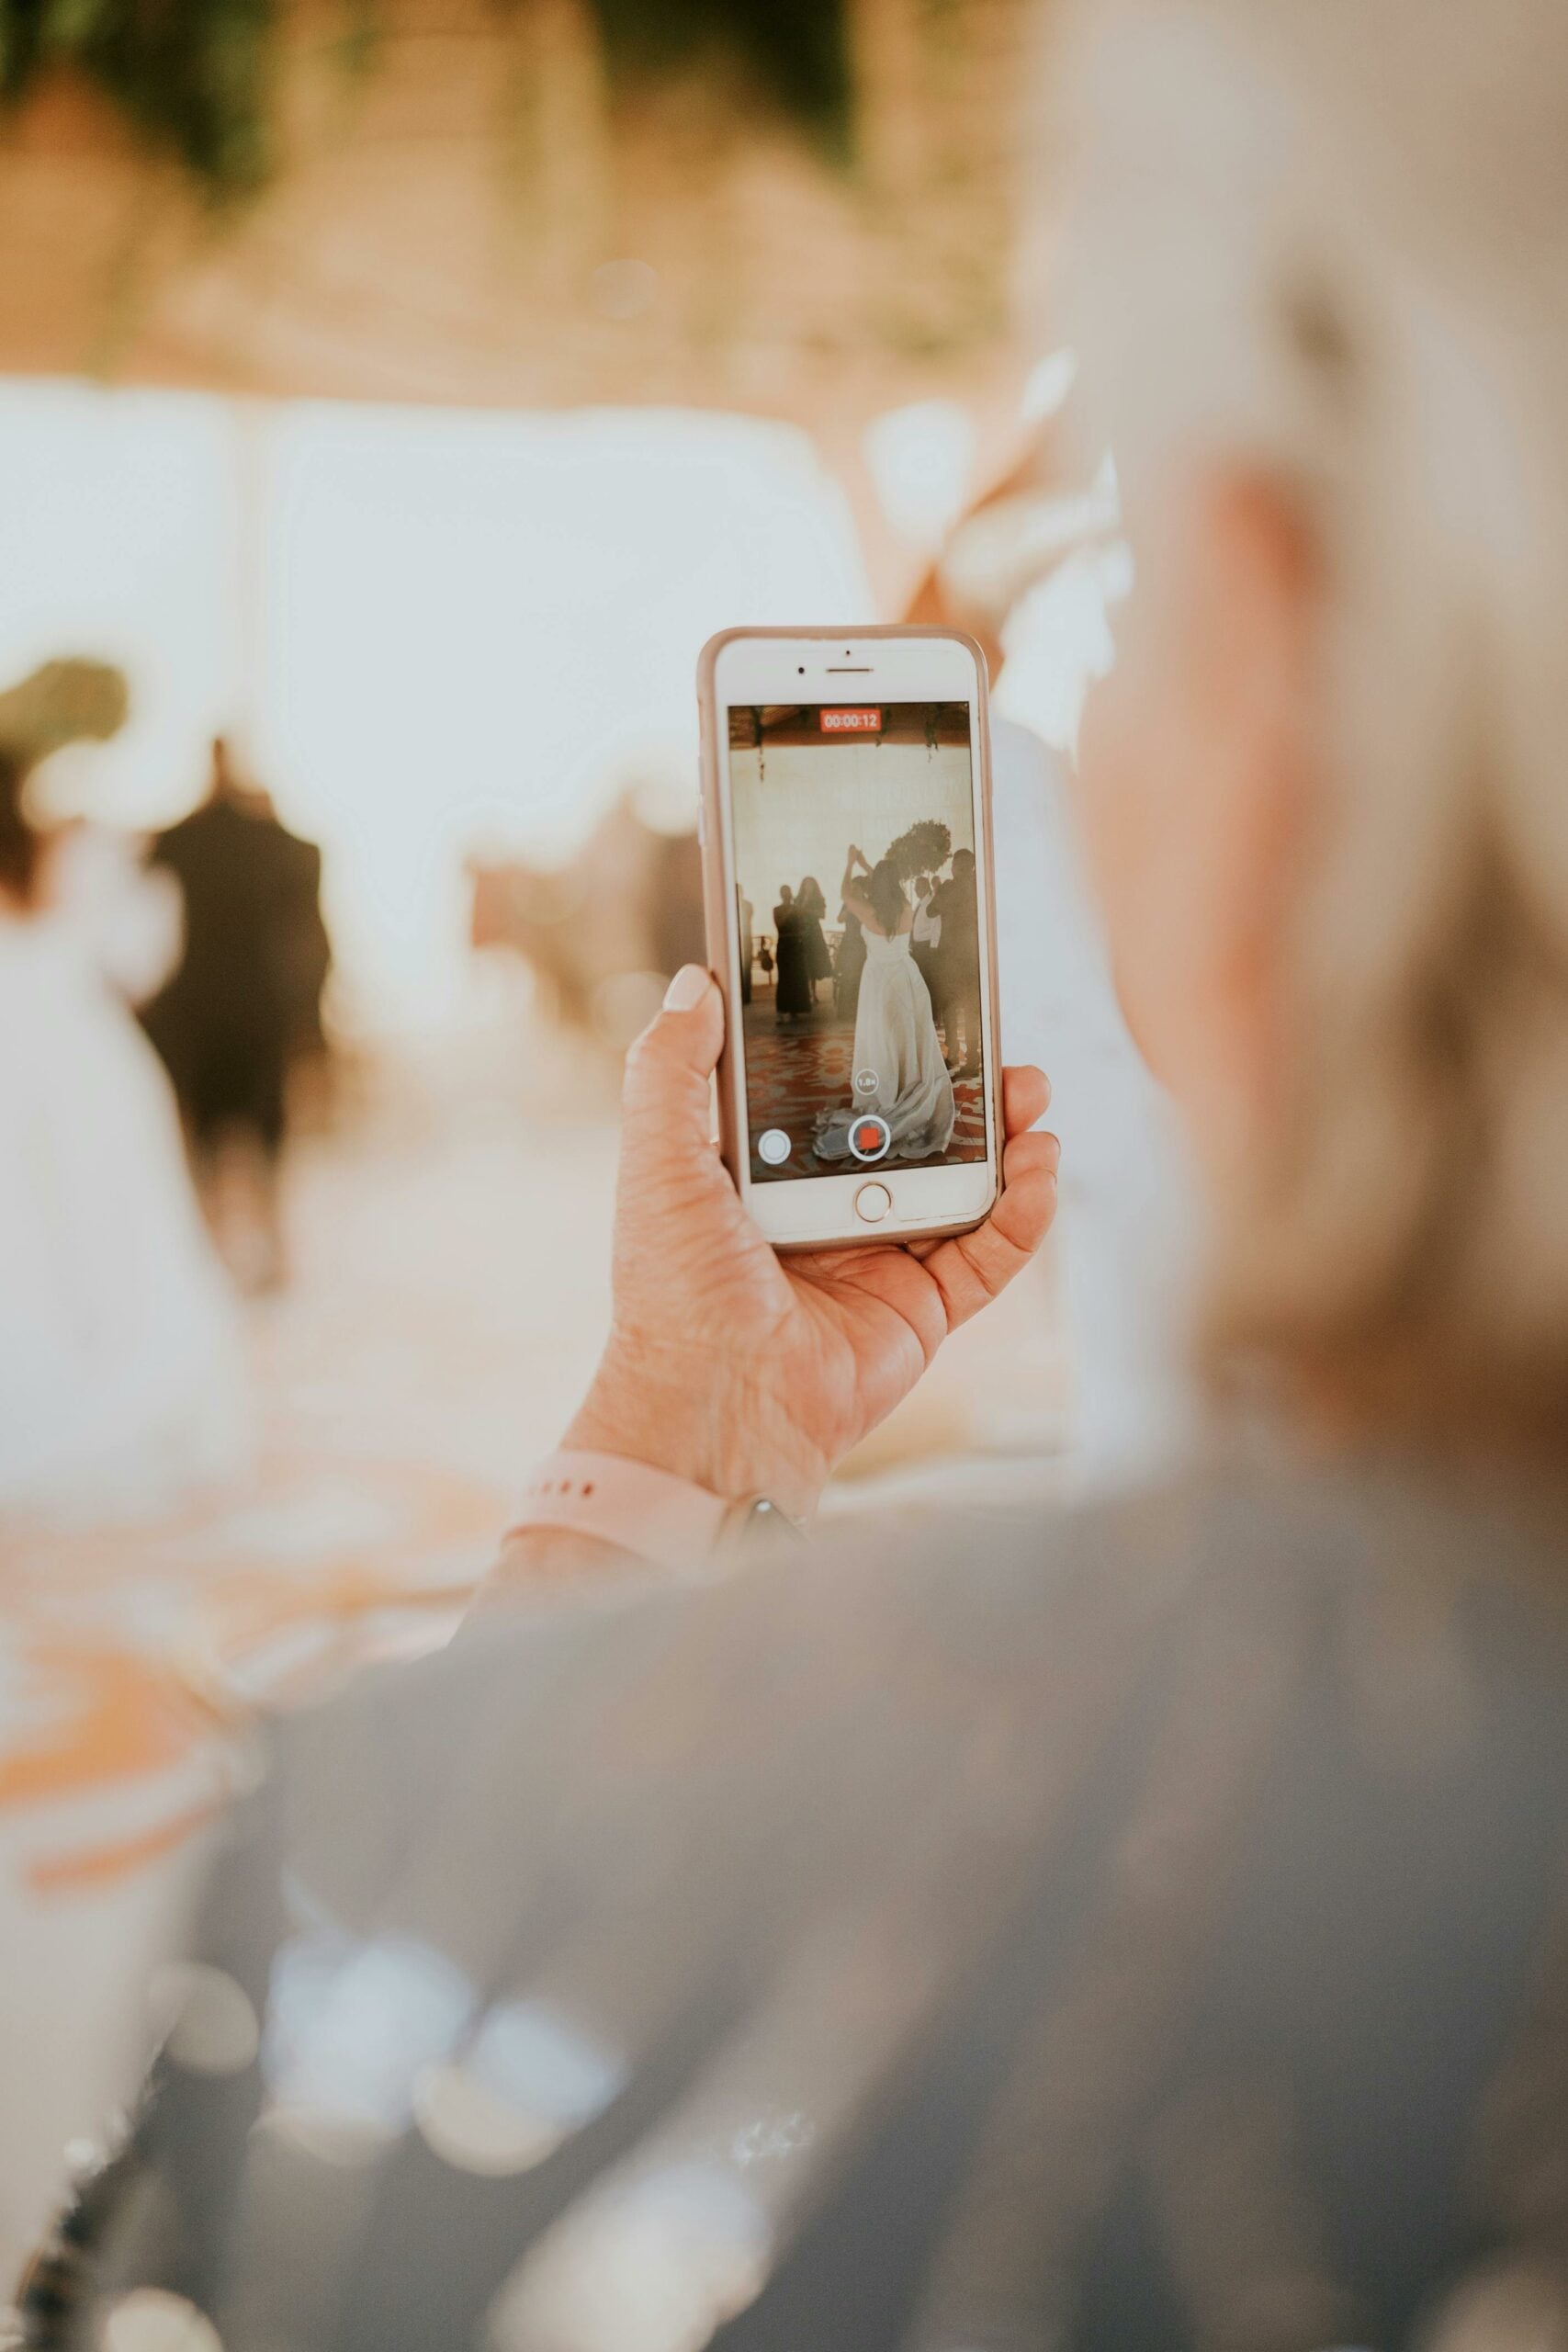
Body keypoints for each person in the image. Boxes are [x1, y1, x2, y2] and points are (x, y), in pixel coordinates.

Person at [35, 1, 1568, 2346]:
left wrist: (654, 1455)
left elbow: (144, 2284)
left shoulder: (511, 1881)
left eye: (1128, 626)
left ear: (1270, 688)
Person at [0, 744, 246, 1520]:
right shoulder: (69, 850)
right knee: (105, 1222)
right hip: (77, 1053)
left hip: (37, 1054)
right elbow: (136, 961)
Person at [141, 739, 330, 1292]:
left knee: (206, 1147)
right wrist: (311, 1025)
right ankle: (271, 1255)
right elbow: (310, 942)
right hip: (261, 1013)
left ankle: (217, 1257)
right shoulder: (282, 845)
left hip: (198, 1016)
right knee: (267, 1145)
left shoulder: (180, 841)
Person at [815, 844, 956, 1164]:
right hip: (908, 979)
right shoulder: (905, 905)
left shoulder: (868, 910)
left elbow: (844, 891)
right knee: (909, 1038)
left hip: (880, 983)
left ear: (875, 885)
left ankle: (886, 1094)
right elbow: (889, 884)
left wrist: (851, 863)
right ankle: (909, 1086)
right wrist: (868, 864)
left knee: (882, 1041)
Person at [932, 845, 981, 1075]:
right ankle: (973, 1062)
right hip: (974, 956)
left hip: (950, 958)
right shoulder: (979, 886)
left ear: (954, 868)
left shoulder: (948, 888)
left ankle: (952, 1056)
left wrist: (939, 891)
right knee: (972, 1011)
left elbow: (930, 911)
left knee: (951, 1009)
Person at [770, 879, 810, 1023]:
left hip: (796, 945)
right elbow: (779, 925)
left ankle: (795, 1009)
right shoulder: (777, 910)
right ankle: (781, 1010)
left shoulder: (797, 909)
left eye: (789, 893)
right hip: (784, 944)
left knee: (797, 977)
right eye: (785, 893)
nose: (787, 896)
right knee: (784, 978)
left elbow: (804, 925)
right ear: (781, 895)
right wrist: (790, 911)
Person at [795, 875, 833, 1006]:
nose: (808, 887)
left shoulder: (819, 899)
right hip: (801, 932)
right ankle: (805, 994)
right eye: (806, 884)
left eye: (811, 884)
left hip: (814, 932)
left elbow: (822, 915)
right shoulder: (798, 899)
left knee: (813, 962)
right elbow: (796, 914)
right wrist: (805, 902)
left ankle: (813, 992)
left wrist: (807, 910)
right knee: (803, 963)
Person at [909, 869, 942, 1001]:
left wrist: (933, 947)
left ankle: (931, 1015)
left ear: (925, 887)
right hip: (917, 948)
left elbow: (937, 925)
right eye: (915, 887)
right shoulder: (920, 903)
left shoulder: (931, 902)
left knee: (927, 982)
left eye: (918, 887)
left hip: (926, 948)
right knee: (919, 981)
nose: (915, 890)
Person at [833, 897, 866, 1022]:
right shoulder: (848, 903)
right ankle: (845, 1012)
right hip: (849, 942)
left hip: (862, 942)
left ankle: (859, 1011)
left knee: (860, 977)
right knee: (847, 976)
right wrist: (848, 908)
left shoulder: (866, 902)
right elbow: (839, 919)